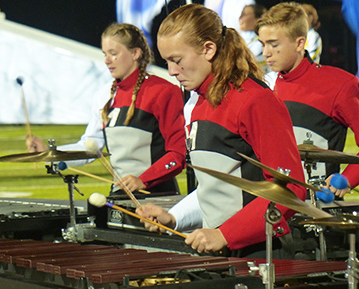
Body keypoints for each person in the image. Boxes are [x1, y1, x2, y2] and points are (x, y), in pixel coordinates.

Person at [136, 4, 306, 256]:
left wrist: (226, 234)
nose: (172, 71)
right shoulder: (198, 104)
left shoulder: (254, 99)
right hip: (222, 254)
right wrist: (174, 218)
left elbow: (291, 189)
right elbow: (215, 189)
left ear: (208, 49)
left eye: (177, 60)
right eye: (167, 62)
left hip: (260, 255)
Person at [27, 23, 186, 195]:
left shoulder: (163, 92)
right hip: (120, 195)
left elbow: (178, 154)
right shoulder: (103, 96)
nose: (107, 60)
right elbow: (90, 147)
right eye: (105, 54)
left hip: (159, 196)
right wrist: (51, 154)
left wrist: (143, 180)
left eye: (113, 53)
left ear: (135, 53)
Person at [257, 2, 359, 198]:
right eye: (262, 44)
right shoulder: (262, 87)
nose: (266, 52)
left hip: (317, 206)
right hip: (271, 205)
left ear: (299, 43)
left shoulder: (339, 84)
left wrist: (347, 179)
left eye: (274, 44)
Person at [239, 4, 269, 73]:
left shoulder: (261, 43)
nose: (240, 18)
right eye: (241, 14)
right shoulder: (237, 38)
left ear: (257, 19)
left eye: (244, 14)